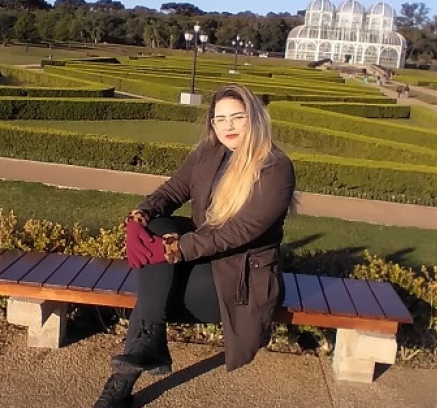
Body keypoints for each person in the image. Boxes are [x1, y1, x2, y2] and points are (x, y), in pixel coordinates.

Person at [92, 84, 296, 408]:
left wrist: (167, 251)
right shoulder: (208, 153)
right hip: (202, 255)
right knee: (156, 228)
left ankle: (125, 379)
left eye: (237, 117)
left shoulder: (275, 167)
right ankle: (149, 343)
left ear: (254, 118)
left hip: (239, 276)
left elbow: (237, 233)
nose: (228, 126)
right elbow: (172, 190)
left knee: (152, 293)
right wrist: (138, 220)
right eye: (220, 119)